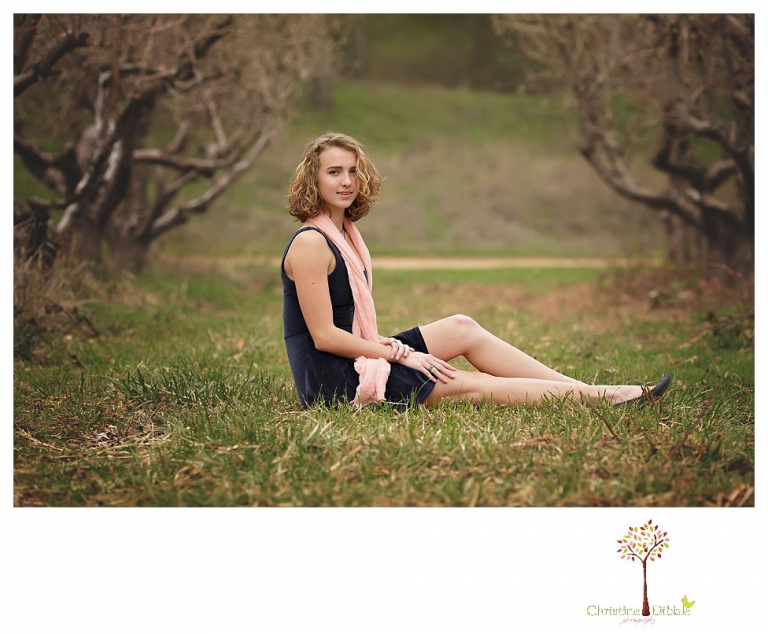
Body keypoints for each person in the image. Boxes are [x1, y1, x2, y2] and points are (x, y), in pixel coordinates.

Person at [280, 132, 671, 410]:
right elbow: (326, 336)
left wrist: (393, 352)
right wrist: (399, 355)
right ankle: (607, 397)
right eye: (334, 172)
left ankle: (595, 393)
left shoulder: (346, 234)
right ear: (314, 178)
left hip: (358, 357)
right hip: (333, 382)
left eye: (352, 171)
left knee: (462, 327)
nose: (346, 181)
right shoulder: (312, 242)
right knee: (470, 384)